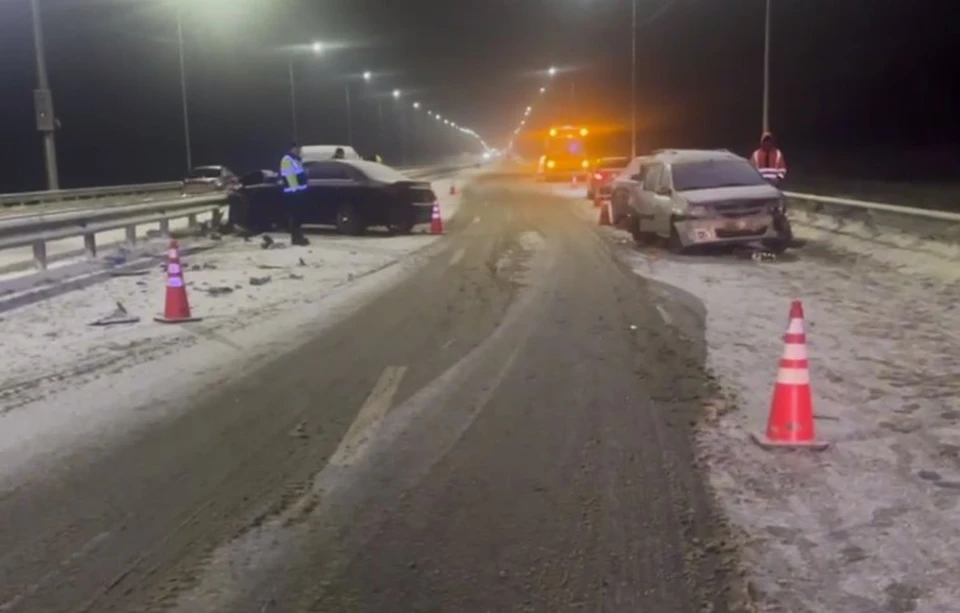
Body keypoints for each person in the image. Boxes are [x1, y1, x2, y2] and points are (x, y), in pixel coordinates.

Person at [279, 142, 310, 246]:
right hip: (292, 193)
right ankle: (296, 239)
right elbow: (290, 176)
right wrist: (295, 190)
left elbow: (300, 174)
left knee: (298, 217)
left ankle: (298, 237)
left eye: (300, 149)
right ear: (292, 149)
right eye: (297, 149)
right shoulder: (287, 160)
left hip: (298, 192)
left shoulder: (295, 160)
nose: (299, 151)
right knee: (295, 217)